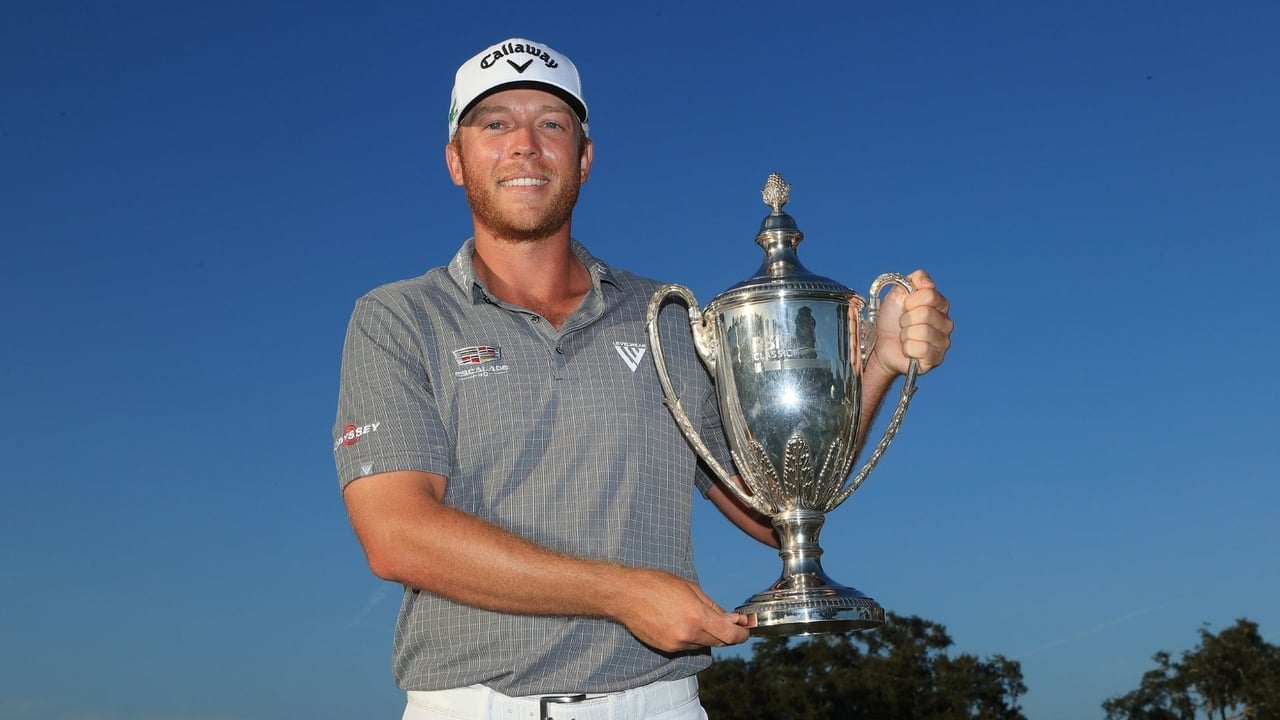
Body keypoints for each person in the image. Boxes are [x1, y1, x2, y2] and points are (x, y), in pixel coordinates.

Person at [333, 38, 954, 720]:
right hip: (471, 704)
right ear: (457, 159)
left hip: (659, 705)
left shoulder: (667, 316)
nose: (524, 145)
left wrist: (878, 366)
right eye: (496, 123)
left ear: (584, 159)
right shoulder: (399, 317)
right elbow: (398, 536)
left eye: (551, 124)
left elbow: (770, 507)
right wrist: (622, 593)